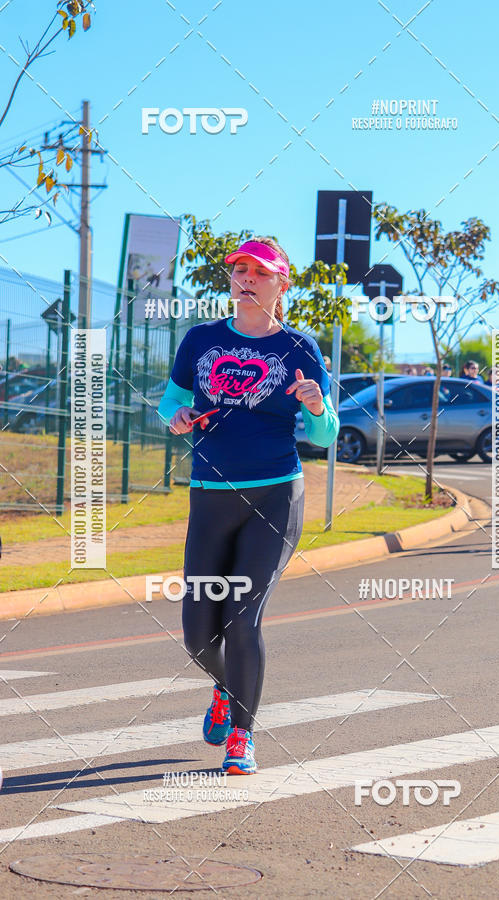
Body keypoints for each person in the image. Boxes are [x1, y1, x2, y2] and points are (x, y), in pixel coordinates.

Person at [157, 237, 339, 774]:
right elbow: (171, 401)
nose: (247, 279)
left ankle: (242, 735)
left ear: (282, 283)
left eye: (259, 272)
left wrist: (316, 405)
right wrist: (176, 417)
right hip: (210, 497)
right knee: (197, 635)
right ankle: (225, 687)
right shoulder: (201, 339)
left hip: (275, 495)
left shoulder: (300, 348)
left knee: (242, 618)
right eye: (239, 270)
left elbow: (324, 434)